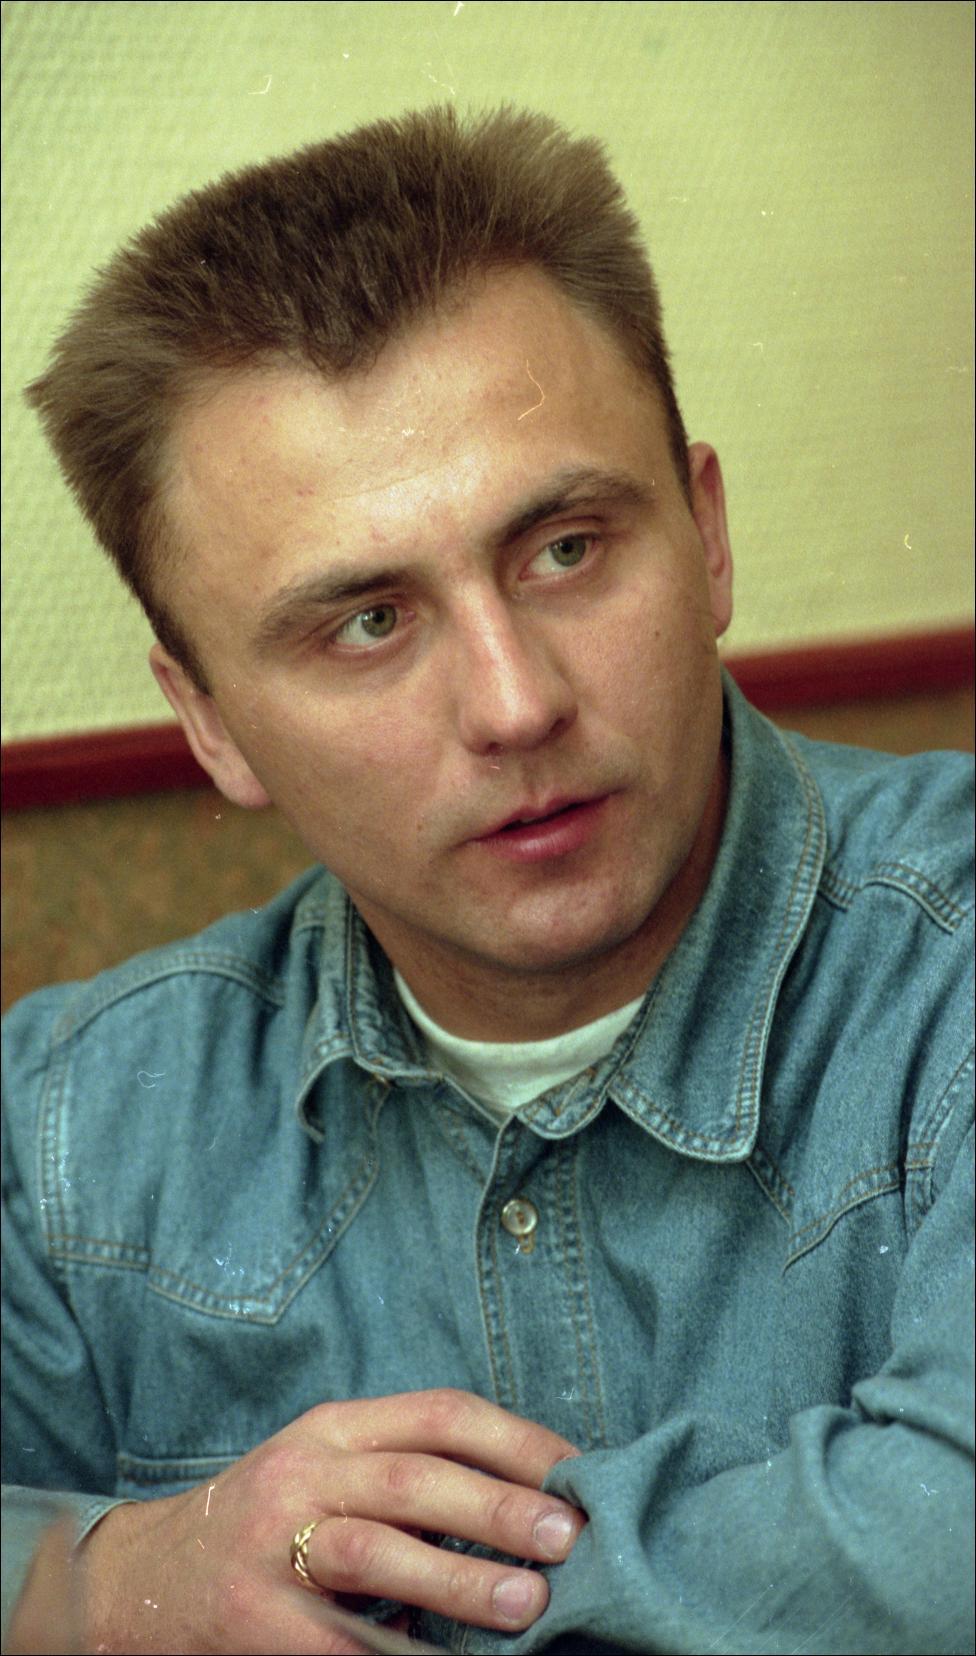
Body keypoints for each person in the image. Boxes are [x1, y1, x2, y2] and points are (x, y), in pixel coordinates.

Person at [2, 104, 972, 1656]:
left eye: (566, 549)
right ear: (208, 722)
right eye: (368, 624)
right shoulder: (65, 1133)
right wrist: (117, 1582)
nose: (517, 704)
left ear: (708, 536)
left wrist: (341, 1588)